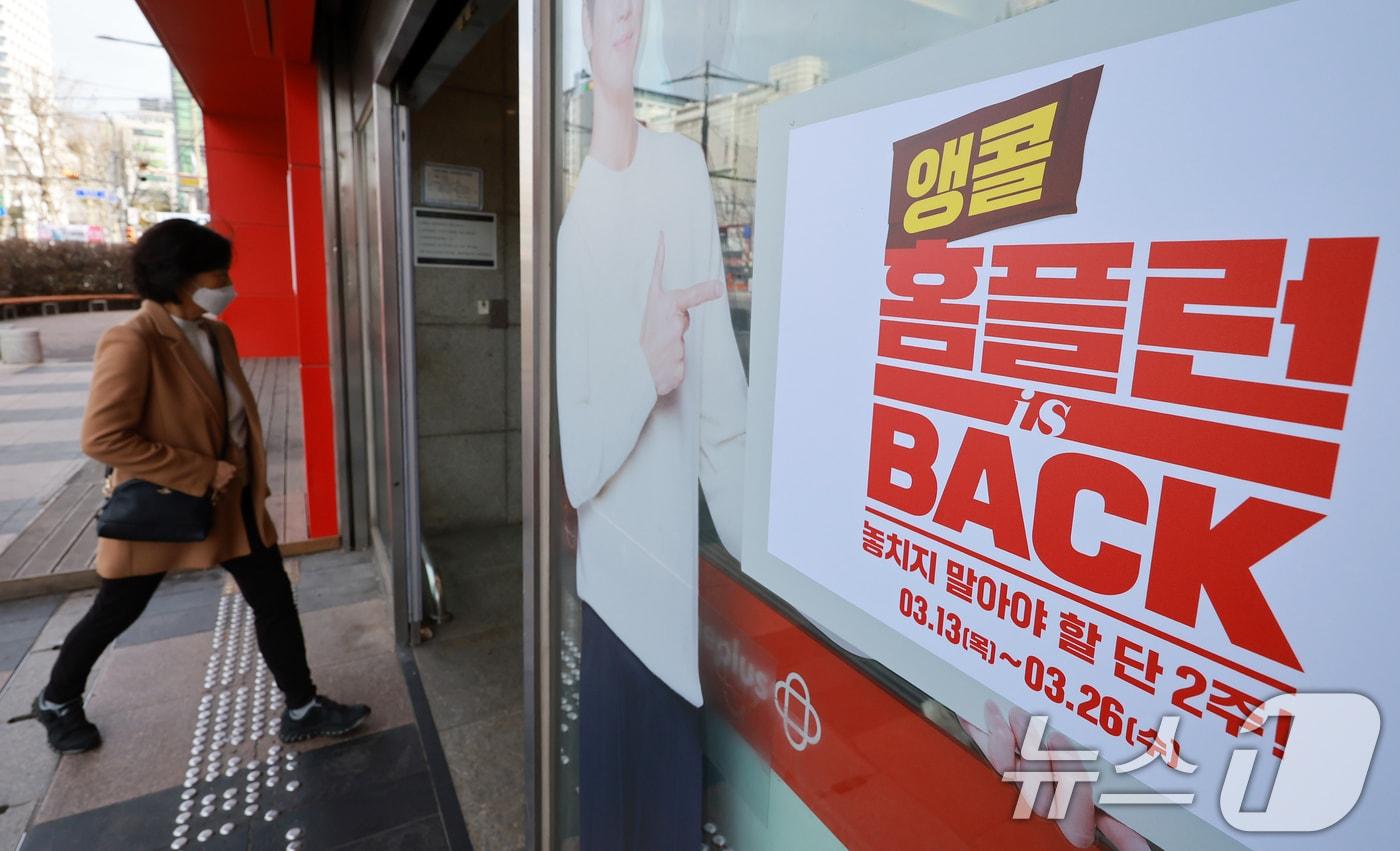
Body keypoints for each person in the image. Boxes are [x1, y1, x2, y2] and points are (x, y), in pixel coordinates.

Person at [33, 219, 370, 755]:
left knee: (273, 598)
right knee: (118, 608)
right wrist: (199, 470)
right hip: (166, 504)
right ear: (182, 277)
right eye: (219, 274)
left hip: (234, 503)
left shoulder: (216, 334)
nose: (228, 285)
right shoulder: (133, 340)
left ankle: (302, 706)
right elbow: (103, 437)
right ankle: (57, 699)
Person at [555, 0, 747, 846]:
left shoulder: (682, 169)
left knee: (665, 819)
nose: (627, 13)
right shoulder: (576, 230)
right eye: (606, 6)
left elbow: (724, 416)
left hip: (671, 605)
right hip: (612, 599)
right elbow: (576, 464)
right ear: (585, 32)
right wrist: (645, 371)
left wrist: (774, 559)